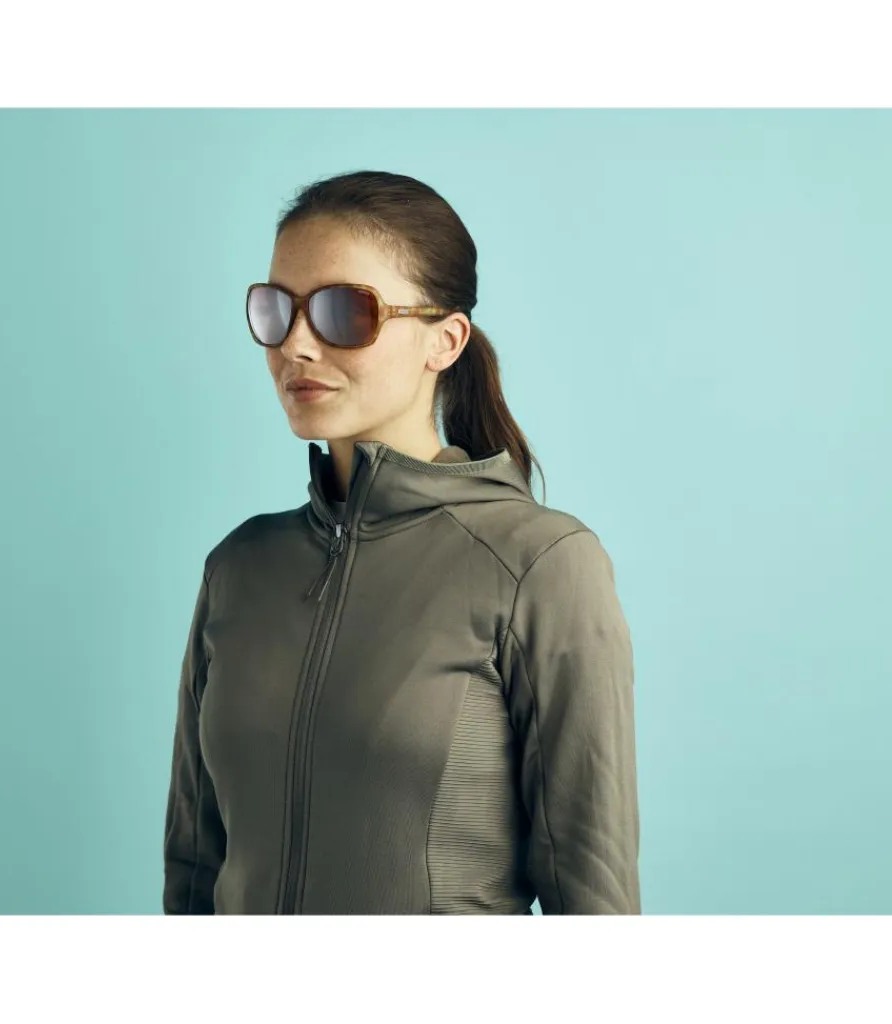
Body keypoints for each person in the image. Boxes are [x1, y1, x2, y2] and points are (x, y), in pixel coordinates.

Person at [163, 170, 640, 914]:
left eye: (343, 312)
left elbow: (595, 902)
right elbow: (194, 873)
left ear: (444, 341)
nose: (295, 345)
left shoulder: (539, 565)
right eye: (275, 309)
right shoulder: (240, 568)